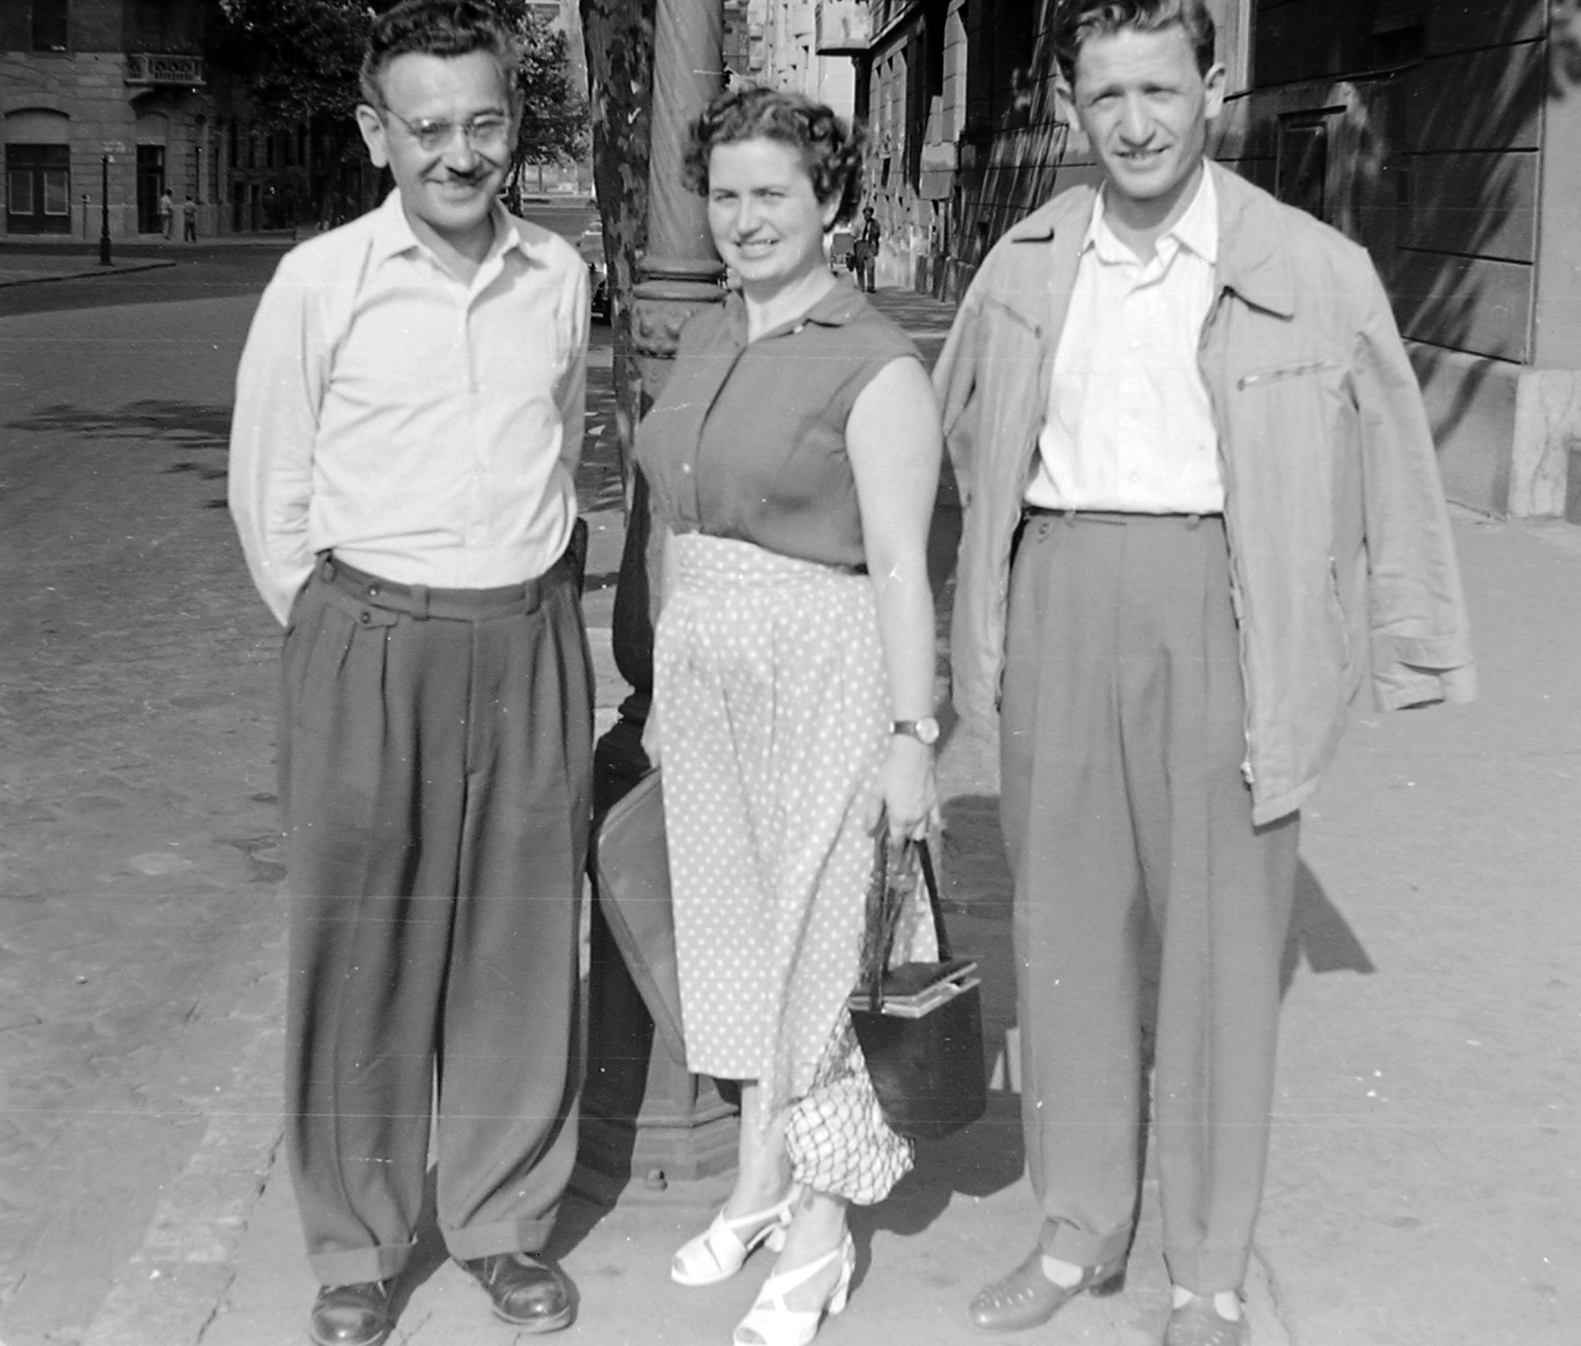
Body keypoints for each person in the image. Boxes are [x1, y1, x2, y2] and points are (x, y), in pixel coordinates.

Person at [934, 4, 1476, 1345]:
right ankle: (1076, 1228)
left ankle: (1209, 1268)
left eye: (1160, 91)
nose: (1135, 123)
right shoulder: (1025, 262)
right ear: (1072, 106)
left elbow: (1397, 464)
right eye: (1107, 95)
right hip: (1062, 593)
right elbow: (962, 437)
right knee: (1063, 934)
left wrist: (1409, 645)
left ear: (1213, 89)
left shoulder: (1312, 265)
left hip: (1229, 610)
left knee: (1225, 958)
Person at [227, 2, 593, 1343]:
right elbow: (268, 493)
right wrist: (349, 636)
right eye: (428, 125)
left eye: (484, 122)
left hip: (526, 638)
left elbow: (556, 439)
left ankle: (500, 1219)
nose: (459, 152)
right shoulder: (319, 281)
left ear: (515, 125)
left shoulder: (557, 272)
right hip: (368, 640)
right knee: (361, 951)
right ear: (378, 131)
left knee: (516, 941)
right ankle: (358, 1243)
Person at [635, 86, 943, 1346]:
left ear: (832, 204)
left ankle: (821, 1232)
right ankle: (760, 1178)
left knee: (819, 948)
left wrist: (913, 737)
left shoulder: (874, 360)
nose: (745, 218)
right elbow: (667, 513)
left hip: (820, 666)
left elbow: (901, 567)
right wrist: (659, 690)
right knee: (731, 931)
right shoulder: (705, 333)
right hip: (705, 672)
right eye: (725, 194)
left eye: (773, 193)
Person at [851, 205, 880, 292]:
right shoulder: (858, 224)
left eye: (870, 214)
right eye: (866, 214)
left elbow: (877, 236)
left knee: (871, 265)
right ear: (863, 214)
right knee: (860, 267)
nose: (868, 216)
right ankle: (861, 287)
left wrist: (876, 247)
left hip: (869, 244)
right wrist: (852, 250)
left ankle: (870, 286)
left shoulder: (875, 224)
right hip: (859, 244)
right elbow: (853, 237)